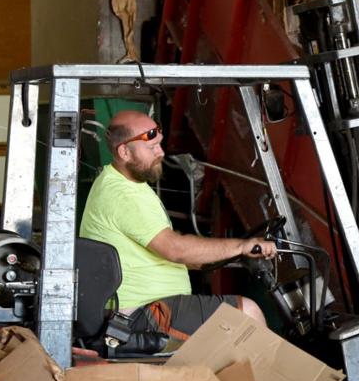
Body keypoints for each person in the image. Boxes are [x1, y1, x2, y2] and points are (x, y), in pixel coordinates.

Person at [79, 109, 277, 341]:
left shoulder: (128, 184)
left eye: (160, 145)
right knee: (247, 314)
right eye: (152, 147)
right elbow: (175, 249)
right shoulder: (121, 194)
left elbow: (179, 255)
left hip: (151, 307)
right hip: (138, 314)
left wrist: (230, 254)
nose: (161, 153)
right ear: (124, 152)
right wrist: (241, 246)